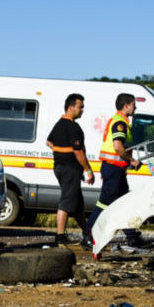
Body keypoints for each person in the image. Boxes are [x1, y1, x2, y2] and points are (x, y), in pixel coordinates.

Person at [82, 93, 141, 247]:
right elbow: (118, 146)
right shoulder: (120, 123)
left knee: (124, 202)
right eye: (134, 104)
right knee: (104, 203)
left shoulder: (121, 121)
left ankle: (131, 234)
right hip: (113, 168)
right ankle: (88, 235)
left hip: (117, 169)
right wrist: (132, 160)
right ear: (126, 105)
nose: (135, 107)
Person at [46, 93, 95, 244]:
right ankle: (60, 236)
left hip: (60, 167)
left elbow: (49, 142)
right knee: (67, 202)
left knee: (77, 204)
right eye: (80, 107)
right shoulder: (73, 127)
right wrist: (88, 169)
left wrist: (60, 151)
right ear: (71, 107)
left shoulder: (59, 123)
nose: (82, 110)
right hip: (70, 169)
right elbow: (78, 151)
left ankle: (87, 233)